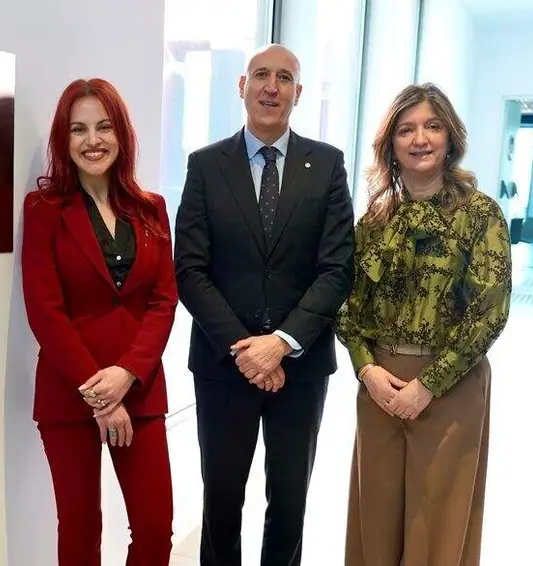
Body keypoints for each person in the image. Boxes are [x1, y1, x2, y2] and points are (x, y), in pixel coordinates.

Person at [174, 44, 356, 565]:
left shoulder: (327, 165)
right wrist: (245, 348)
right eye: (260, 75)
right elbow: (190, 269)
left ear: (299, 92)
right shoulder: (206, 165)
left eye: (284, 78)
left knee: (290, 501)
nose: (271, 87)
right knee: (221, 500)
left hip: (301, 365)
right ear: (242, 86)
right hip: (223, 364)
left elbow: (337, 267)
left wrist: (281, 343)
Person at [335, 83, 513, 566]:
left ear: (450, 137)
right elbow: (346, 303)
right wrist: (366, 370)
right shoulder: (375, 219)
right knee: (375, 517)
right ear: (390, 144)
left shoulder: (480, 214)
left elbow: (490, 311)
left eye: (432, 127)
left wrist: (428, 384)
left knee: (436, 522)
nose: (420, 139)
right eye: (406, 129)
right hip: (380, 385)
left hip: (450, 386)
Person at [20, 78, 178, 566]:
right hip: (69, 393)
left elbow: (163, 300)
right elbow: (45, 311)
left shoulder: (151, 208)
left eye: (104, 127)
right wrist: (99, 393)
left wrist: (127, 373)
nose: (93, 140)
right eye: (79, 129)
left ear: (121, 134)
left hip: (140, 389)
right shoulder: (44, 210)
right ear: (64, 140)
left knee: (154, 528)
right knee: (80, 528)